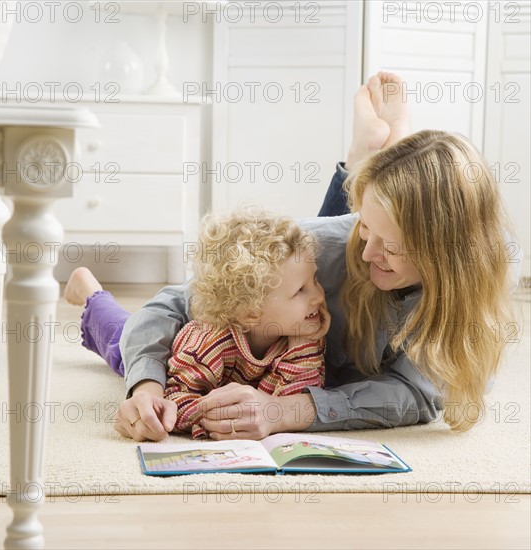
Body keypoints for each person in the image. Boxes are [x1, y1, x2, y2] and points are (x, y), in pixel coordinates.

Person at [93, 71, 519, 442]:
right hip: (298, 317)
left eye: (390, 246)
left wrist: (287, 411)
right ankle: (364, 161)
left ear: (445, 256)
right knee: (306, 257)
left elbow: (419, 395)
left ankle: (370, 157)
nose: (367, 254)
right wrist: (147, 389)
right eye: (365, 228)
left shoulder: (476, 295)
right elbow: (172, 304)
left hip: (322, 361)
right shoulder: (335, 244)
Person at [64, 209, 330, 439]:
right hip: (175, 359)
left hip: (226, 375)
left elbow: (296, 394)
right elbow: (174, 400)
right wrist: (220, 418)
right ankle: (88, 288)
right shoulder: (207, 342)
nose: (319, 295)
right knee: (119, 342)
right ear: (251, 312)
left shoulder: (302, 332)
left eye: (315, 280)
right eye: (301, 291)